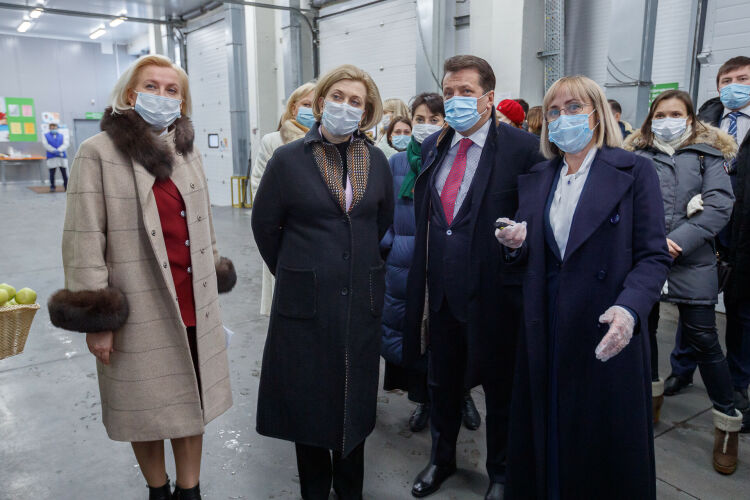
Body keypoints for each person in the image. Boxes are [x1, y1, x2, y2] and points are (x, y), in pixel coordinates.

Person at [46, 55, 237, 500]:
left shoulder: (186, 151)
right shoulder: (98, 153)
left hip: (191, 298)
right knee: (143, 404)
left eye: (172, 90)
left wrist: (214, 277)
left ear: (182, 101)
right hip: (136, 304)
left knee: (192, 399)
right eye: (152, 86)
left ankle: (190, 491)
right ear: (131, 94)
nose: (162, 96)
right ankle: (158, 489)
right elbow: (84, 238)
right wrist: (98, 320)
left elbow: (205, 223)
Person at [498, 75, 671, 499]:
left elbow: (653, 256)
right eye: (554, 111)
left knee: (596, 444)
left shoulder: (634, 171)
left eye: (574, 107)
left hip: (603, 322)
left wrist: (630, 309)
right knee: (546, 429)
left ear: (597, 114)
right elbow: (541, 253)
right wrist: (517, 245)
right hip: (545, 322)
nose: (563, 118)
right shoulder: (540, 176)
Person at [251, 64, 394, 500]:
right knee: (309, 401)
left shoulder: (376, 161)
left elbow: (380, 224)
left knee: (354, 398)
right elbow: (265, 226)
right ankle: (314, 490)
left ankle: (350, 490)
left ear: (366, 112)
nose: (345, 107)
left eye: (356, 101)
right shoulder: (288, 159)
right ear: (320, 101)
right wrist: (298, 272)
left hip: (360, 300)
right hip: (306, 304)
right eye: (338, 97)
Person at [404, 55, 544, 500]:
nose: (455, 100)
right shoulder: (434, 145)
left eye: (466, 91)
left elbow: (536, 217)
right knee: (442, 382)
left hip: (495, 294)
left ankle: (501, 472)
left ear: (489, 97)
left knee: (500, 388)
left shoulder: (522, 148)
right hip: (442, 291)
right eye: (449, 92)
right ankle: (441, 459)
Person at [624, 89, 745, 473]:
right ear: (650, 119)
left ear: (691, 118)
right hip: (644, 259)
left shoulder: (709, 155)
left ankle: (727, 422)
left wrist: (676, 241)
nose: (667, 121)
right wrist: (649, 244)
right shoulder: (636, 155)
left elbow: (720, 205)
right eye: (660, 114)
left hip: (691, 260)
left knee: (704, 339)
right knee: (644, 332)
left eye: (676, 114)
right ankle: (651, 400)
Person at [379, 94, 481, 434]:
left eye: (434, 120)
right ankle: (423, 400)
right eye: (419, 119)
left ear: (446, 122)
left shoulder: (456, 158)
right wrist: (392, 244)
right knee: (417, 336)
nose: (425, 126)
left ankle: (462, 394)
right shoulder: (396, 163)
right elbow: (384, 212)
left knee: (453, 334)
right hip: (406, 264)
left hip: (447, 262)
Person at [668, 57, 750, 433]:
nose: (733, 86)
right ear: (717, 86)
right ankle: (681, 369)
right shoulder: (702, 122)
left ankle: (737, 384)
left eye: (743, 79)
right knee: (693, 303)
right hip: (702, 230)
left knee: (741, 313)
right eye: (727, 80)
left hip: (744, 230)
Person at [250, 81, 316, 316]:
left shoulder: (329, 142)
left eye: (315, 105)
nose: (310, 110)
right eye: (305, 104)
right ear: (293, 107)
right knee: (286, 305)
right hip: (286, 233)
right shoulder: (273, 141)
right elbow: (258, 185)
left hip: (319, 234)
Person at [42, 121, 69, 191]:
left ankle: (66, 186)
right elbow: (45, 144)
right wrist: (53, 150)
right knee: (52, 173)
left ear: (57, 128)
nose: (53, 129)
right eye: (52, 128)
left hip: (61, 156)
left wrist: (59, 150)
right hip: (51, 156)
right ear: (49, 128)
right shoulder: (45, 135)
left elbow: (66, 144)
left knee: (64, 173)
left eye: (54, 128)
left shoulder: (62, 135)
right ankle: (52, 187)